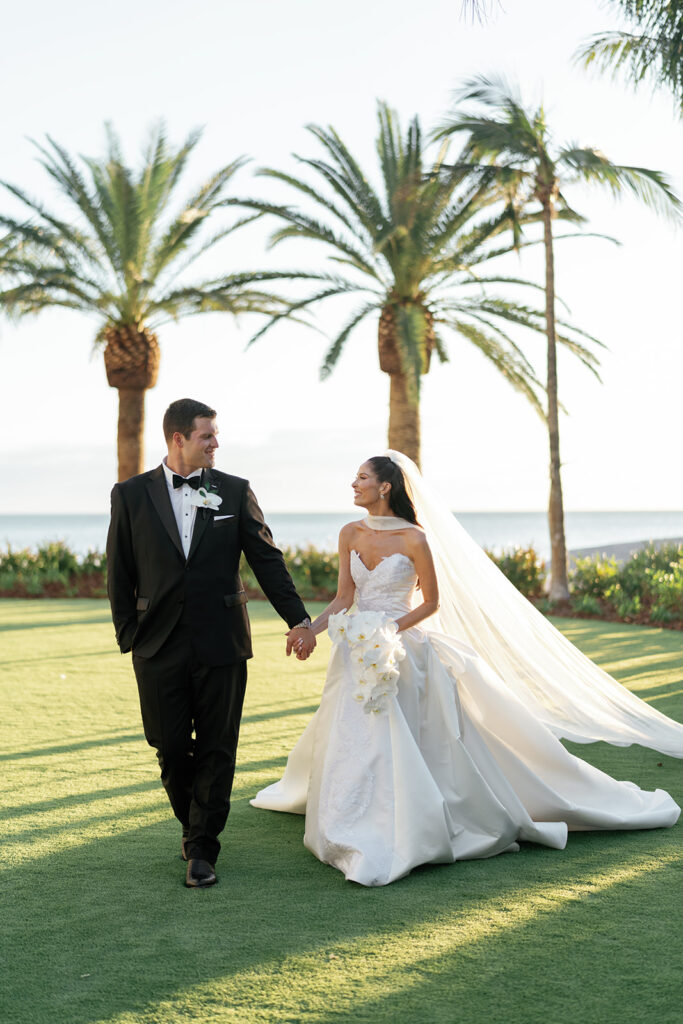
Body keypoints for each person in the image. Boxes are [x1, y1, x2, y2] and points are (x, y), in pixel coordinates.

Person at [251, 451, 682, 887]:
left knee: (404, 736)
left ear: (385, 486)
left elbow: (432, 603)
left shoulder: (415, 538)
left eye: (361, 477)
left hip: (402, 649)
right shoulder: (350, 533)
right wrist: (308, 629)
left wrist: (389, 630)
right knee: (355, 734)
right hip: (358, 650)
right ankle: (351, 813)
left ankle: (412, 820)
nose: (353, 484)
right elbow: (345, 597)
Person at [106, 398, 315, 887]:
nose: (216, 443)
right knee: (169, 745)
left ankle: (202, 847)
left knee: (219, 746)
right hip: (156, 644)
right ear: (178, 439)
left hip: (222, 641)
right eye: (207, 435)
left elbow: (267, 560)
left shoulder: (235, 491)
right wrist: (128, 634)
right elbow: (119, 568)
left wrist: (299, 619)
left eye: (215, 435)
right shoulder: (130, 494)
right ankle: (193, 823)